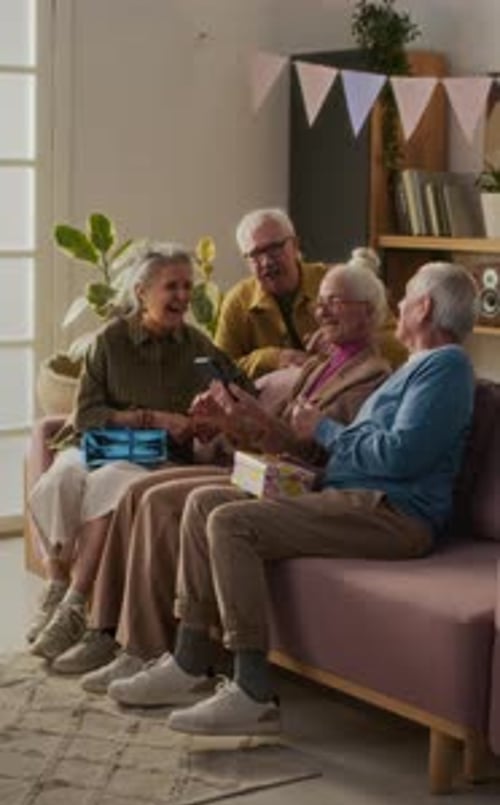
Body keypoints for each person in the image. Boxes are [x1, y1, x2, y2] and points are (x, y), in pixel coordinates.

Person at [106, 261, 479, 735]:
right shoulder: (418, 369)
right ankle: (189, 660)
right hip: (351, 496)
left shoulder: (446, 368)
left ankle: (252, 691)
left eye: (405, 296)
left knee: (230, 523)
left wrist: (321, 429)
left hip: (391, 513)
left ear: (424, 307)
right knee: (203, 504)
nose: (399, 304)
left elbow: (401, 456)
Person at [48, 248, 392, 687]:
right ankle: (109, 633)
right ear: (141, 292)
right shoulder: (322, 367)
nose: (320, 310)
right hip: (251, 464)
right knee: (137, 493)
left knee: (151, 495)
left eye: (333, 301)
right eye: (320, 300)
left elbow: (315, 452)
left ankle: (145, 648)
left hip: (288, 480)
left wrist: (231, 423)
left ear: (368, 312)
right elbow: (274, 431)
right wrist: (223, 421)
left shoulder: (373, 376)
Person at [28, 242, 248, 662]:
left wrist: (209, 419)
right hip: (98, 443)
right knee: (61, 477)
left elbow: (240, 392)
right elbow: (87, 413)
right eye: (172, 287)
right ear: (143, 291)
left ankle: (74, 606)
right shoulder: (109, 341)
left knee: (111, 485)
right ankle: (57, 591)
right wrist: (153, 417)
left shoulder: (198, 346)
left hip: (153, 458)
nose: (183, 297)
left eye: (188, 286)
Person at [214, 208, 328, 378]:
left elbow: (381, 341)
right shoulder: (238, 301)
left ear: (295, 245)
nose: (267, 262)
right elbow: (219, 369)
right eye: (255, 254)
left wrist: (343, 343)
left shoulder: (332, 283)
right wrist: (273, 359)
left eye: (275, 248)